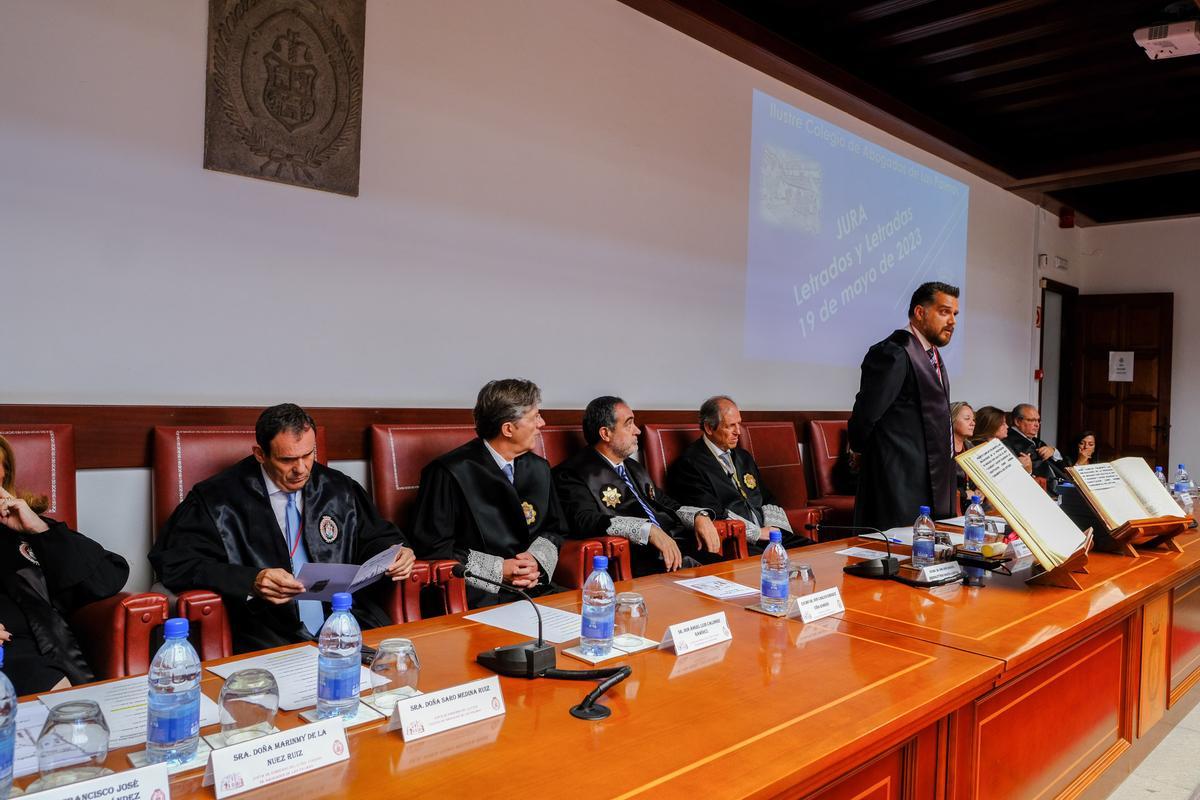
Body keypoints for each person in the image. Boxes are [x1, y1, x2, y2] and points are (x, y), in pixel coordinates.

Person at [149, 404, 414, 653]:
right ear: (260, 454)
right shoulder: (217, 500)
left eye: (308, 455)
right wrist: (251, 580)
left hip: (345, 618)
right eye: (288, 460)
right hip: (266, 627)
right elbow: (176, 563)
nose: (301, 469)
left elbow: (376, 536)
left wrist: (395, 553)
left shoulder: (337, 488)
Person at [409, 379, 565, 608]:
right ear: (508, 429)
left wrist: (534, 562)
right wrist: (499, 570)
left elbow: (555, 528)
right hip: (475, 595)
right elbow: (431, 548)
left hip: (535, 587)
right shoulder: (449, 472)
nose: (542, 423)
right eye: (535, 417)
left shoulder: (539, 468)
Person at [0, 435, 129, 695]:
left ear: (4, 475)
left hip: (31, 659)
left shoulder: (26, 530)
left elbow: (107, 578)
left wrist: (39, 529)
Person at [554, 396, 725, 576]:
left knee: (734, 577)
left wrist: (698, 517)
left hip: (678, 548)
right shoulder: (572, 473)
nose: (637, 431)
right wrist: (647, 530)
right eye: (629, 424)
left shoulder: (633, 467)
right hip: (639, 560)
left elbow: (665, 503)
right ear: (605, 433)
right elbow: (585, 521)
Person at [848, 281, 959, 530]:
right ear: (920, 313)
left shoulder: (933, 356)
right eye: (944, 312)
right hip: (898, 479)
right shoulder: (894, 352)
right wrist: (859, 450)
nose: (952, 321)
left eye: (954, 314)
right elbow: (867, 415)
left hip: (932, 475)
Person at [666, 396, 809, 553]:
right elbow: (711, 513)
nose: (738, 432)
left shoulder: (743, 457)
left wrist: (774, 528)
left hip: (770, 536)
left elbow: (766, 497)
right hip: (739, 542)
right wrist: (757, 533)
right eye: (730, 426)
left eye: (739, 424)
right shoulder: (690, 464)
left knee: (814, 551)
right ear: (709, 428)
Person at [1004, 404, 1069, 482]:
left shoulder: (1036, 441)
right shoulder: (1008, 441)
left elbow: (1064, 468)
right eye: (1032, 420)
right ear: (1017, 421)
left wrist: (1053, 451)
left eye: (1038, 420)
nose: (1037, 425)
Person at [973, 406, 1033, 474]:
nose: (1007, 426)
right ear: (992, 425)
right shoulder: (976, 450)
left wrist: (1028, 470)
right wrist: (1016, 466)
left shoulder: (1005, 445)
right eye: (1003, 424)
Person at [950, 401, 976, 512]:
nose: (973, 423)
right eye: (967, 419)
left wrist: (982, 490)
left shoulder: (970, 446)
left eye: (973, 419)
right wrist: (963, 494)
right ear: (952, 420)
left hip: (972, 504)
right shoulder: (941, 448)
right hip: (950, 506)